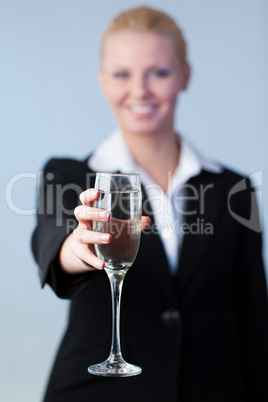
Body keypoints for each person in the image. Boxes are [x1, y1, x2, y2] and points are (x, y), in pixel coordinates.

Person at [32, 6, 268, 402]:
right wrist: (76, 247)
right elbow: (54, 243)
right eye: (122, 73)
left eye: (158, 72)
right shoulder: (69, 174)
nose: (140, 90)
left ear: (184, 76)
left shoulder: (235, 188)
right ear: (102, 80)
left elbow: (254, 317)